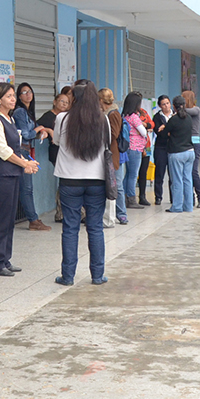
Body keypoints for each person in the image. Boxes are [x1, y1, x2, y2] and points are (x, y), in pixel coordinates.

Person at [54, 80, 109, 286]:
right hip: (97, 181)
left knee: (70, 228)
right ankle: (97, 275)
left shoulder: (62, 118)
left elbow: (57, 141)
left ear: (73, 98)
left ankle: (67, 277)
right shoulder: (102, 120)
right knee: (95, 228)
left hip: (69, 181)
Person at [0, 82, 39, 276]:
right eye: (8, 96)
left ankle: (5, 259)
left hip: (12, 174)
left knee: (9, 220)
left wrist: (27, 163)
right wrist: (24, 164)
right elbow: (2, 150)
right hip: (1, 176)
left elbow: (15, 150)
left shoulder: (9, 119)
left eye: (13, 96)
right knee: (0, 219)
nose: (13, 99)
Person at [12, 82, 50, 231]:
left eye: (30, 91)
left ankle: (33, 219)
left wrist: (41, 132)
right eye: (24, 92)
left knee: (25, 187)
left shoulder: (28, 112)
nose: (28, 94)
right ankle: (33, 220)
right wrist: (39, 129)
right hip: (21, 152)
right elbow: (25, 134)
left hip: (26, 150)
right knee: (26, 188)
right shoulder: (20, 112)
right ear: (19, 97)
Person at [37, 89, 73, 223]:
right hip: (56, 152)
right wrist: (47, 130)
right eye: (62, 101)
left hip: (66, 152)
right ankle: (61, 213)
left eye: (67, 102)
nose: (64, 104)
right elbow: (36, 126)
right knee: (65, 181)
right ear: (54, 102)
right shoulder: (49, 116)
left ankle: (63, 212)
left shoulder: (66, 116)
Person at [98, 88, 126, 225]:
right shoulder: (106, 113)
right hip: (109, 153)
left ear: (101, 100)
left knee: (115, 185)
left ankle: (120, 214)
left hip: (112, 153)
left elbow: (113, 134)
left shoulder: (113, 114)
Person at [165, 95, 196, 213]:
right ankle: (188, 207)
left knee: (177, 180)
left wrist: (166, 132)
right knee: (187, 179)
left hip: (176, 153)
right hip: (190, 152)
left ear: (174, 106)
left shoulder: (173, 120)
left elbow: (164, 134)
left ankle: (177, 206)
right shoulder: (188, 118)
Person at [121, 92, 149, 209]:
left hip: (128, 148)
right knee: (133, 175)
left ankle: (123, 197)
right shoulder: (134, 117)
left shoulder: (124, 115)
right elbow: (143, 132)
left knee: (128, 174)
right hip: (135, 148)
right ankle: (131, 199)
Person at [181, 90, 200, 208]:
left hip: (194, 143)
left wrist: (178, 108)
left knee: (193, 171)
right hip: (184, 142)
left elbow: (186, 111)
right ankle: (190, 198)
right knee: (185, 173)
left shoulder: (196, 110)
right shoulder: (183, 113)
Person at [152, 96, 173, 206]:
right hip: (160, 147)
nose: (166, 106)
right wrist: (168, 130)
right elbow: (159, 132)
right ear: (160, 106)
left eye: (168, 103)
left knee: (173, 174)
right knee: (159, 173)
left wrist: (165, 126)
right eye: (163, 104)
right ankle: (158, 196)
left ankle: (173, 197)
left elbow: (176, 131)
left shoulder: (175, 116)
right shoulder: (157, 117)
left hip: (173, 148)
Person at [135, 106, 155, 206]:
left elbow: (152, 124)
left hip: (146, 145)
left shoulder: (143, 112)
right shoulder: (131, 115)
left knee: (144, 171)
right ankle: (130, 197)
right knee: (134, 172)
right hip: (136, 145)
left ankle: (142, 196)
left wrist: (145, 125)